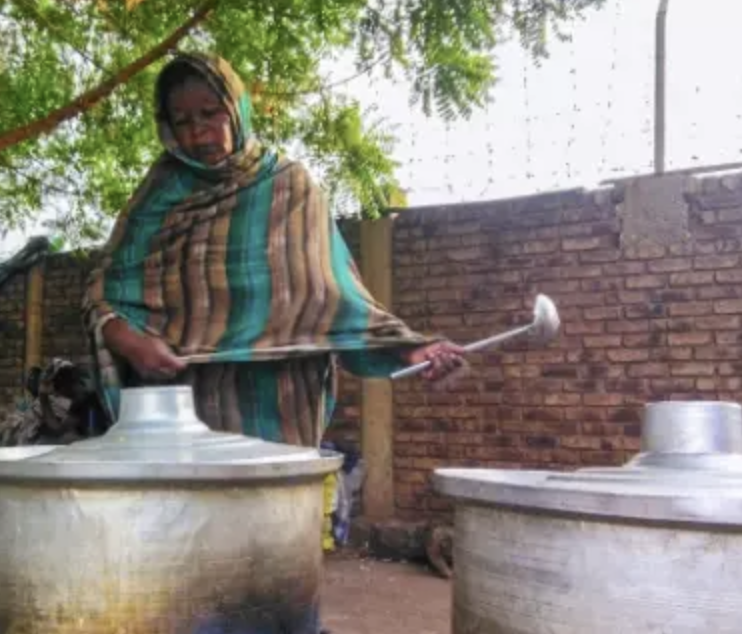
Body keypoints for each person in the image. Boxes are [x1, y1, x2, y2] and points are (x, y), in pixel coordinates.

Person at [83, 53, 467, 448]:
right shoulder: (157, 198)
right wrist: (132, 343)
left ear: (236, 110)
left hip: (276, 411)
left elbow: (336, 300)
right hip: (180, 415)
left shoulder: (290, 188)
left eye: (210, 113)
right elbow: (103, 293)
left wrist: (411, 349)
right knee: (182, 510)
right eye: (182, 122)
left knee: (270, 506)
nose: (198, 133)